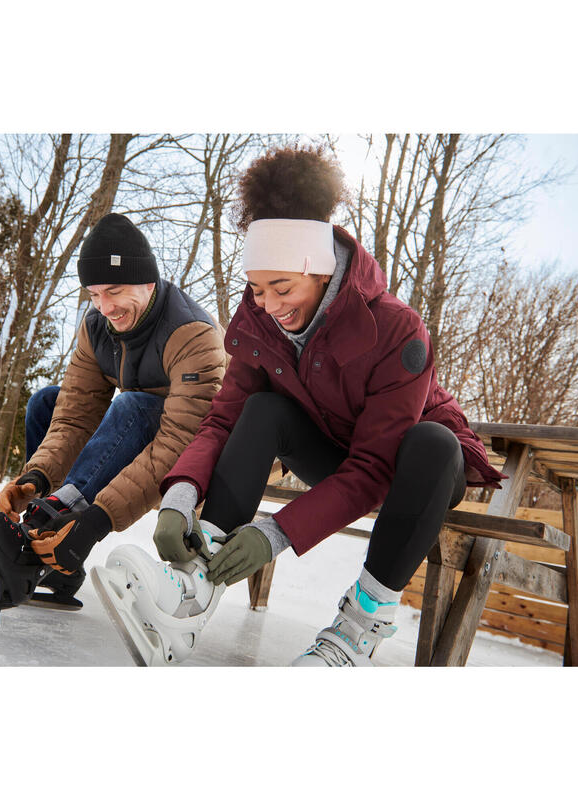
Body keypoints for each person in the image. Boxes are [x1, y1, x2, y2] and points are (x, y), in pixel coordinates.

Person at [91, 147, 504, 666]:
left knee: (433, 443)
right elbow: (224, 418)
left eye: (282, 288)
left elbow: (375, 464)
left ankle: (359, 626)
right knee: (261, 409)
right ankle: (194, 586)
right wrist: (180, 492)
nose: (268, 305)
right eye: (257, 289)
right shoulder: (259, 321)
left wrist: (277, 532)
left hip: (414, 469)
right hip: (333, 446)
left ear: (320, 270)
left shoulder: (397, 329)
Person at [0, 213, 226, 628]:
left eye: (115, 291)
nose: (105, 307)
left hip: (207, 445)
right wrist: (35, 476)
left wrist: (95, 521)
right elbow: (74, 415)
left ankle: (51, 524)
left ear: (148, 282)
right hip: (143, 429)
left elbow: (181, 440)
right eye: (94, 294)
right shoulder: (95, 328)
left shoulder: (192, 333)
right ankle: (56, 557)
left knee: (133, 407)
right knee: (45, 404)